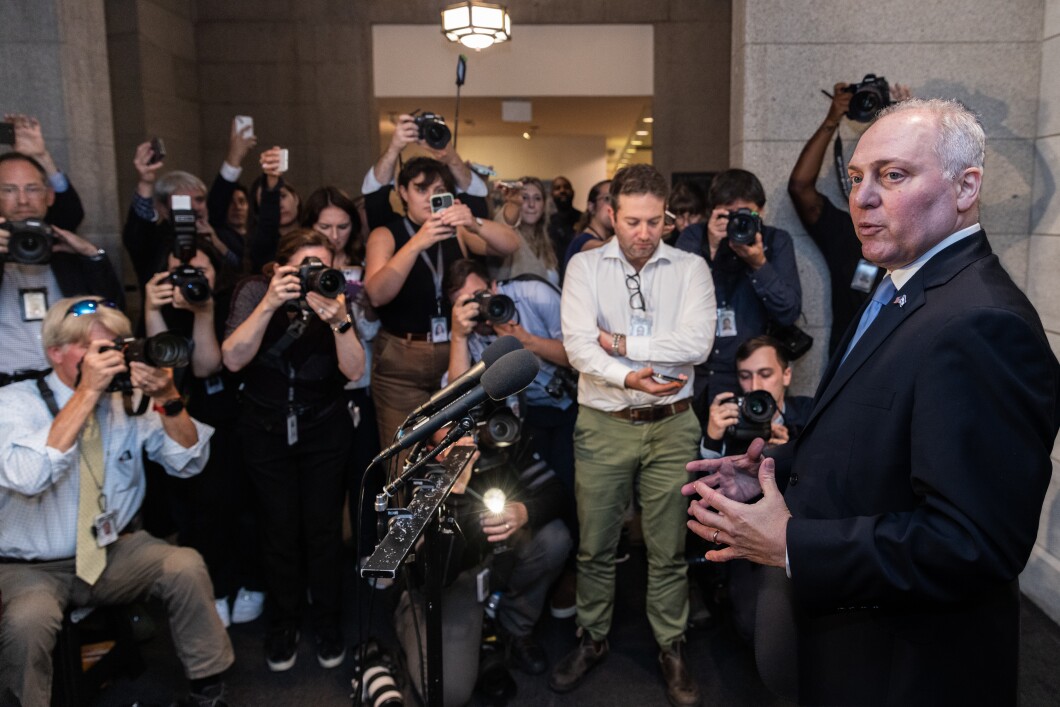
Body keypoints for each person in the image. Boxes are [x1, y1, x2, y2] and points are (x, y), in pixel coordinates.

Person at [684, 99, 1060, 705]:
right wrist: (773, 470)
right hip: (849, 646)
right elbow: (876, 430)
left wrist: (791, 545)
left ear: (967, 187)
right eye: (857, 177)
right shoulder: (903, 286)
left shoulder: (983, 323)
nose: (862, 198)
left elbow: (973, 544)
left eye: (893, 175)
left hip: (905, 668)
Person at [0, 296, 232, 707]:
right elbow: (30, 476)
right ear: (56, 352)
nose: (110, 360)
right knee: (26, 623)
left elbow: (189, 463)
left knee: (184, 565)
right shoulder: (14, 403)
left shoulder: (127, 403)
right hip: (31, 566)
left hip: (111, 551)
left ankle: (207, 689)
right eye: (96, 349)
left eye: (118, 347)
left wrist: (169, 397)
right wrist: (86, 392)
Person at [552, 164, 715, 706]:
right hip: (604, 423)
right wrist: (628, 374)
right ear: (610, 215)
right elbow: (578, 346)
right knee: (596, 544)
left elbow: (697, 345)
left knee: (668, 548)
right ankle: (592, 638)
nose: (644, 233)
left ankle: (671, 644)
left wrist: (619, 344)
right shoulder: (584, 267)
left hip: (672, 425)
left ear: (667, 216)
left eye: (654, 221)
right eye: (632, 221)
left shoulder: (691, 268)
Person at [222, 229, 365, 672]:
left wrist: (338, 319)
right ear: (281, 266)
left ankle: (327, 620)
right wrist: (269, 303)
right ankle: (283, 622)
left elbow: (355, 371)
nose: (313, 275)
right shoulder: (253, 290)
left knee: (323, 529)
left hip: (324, 426)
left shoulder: (336, 293)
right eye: (304, 265)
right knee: (278, 528)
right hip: (265, 427)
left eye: (322, 265)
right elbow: (232, 358)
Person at [363, 156, 518, 452]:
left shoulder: (456, 230)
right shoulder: (387, 234)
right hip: (400, 361)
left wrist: (473, 222)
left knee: (455, 451)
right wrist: (418, 242)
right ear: (402, 191)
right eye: (421, 189)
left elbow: (509, 245)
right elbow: (377, 294)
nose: (430, 197)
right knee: (402, 455)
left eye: (438, 190)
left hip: (453, 352)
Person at [787, 81, 910, 355]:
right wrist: (832, 119)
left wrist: (912, 125)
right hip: (848, 364)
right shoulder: (848, 231)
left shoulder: (917, 230)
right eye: (857, 177)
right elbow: (800, 187)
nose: (870, 190)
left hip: (903, 361)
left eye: (890, 175)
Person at [675, 169, 802, 416]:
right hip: (701, 378)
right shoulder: (694, 237)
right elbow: (674, 302)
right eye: (729, 215)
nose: (738, 223)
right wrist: (710, 250)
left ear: (762, 211)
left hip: (751, 377)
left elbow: (788, 312)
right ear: (713, 212)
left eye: (747, 214)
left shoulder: (776, 241)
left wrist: (759, 264)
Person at [301, 186, 382, 563]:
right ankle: (323, 561)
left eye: (343, 226)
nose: (334, 235)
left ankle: (368, 550)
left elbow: (371, 333)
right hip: (314, 388)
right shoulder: (300, 267)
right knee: (321, 485)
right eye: (325, 226)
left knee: (365, 471)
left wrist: (362, 306)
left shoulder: (365, 266)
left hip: (358, 381)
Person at [445, 258, 576, 491]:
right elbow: (458, 397)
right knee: (546, 488)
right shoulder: (465, 330)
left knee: (574, 480)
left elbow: (576, 357)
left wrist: (527, 340)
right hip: (526, 416)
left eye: (480, 295)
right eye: (466, 303)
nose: (478, 306)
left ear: (493, 286)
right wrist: (459, 336)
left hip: (571, 402)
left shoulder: (533, 294)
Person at [0, 152, 123, 379]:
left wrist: (92, 256)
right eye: (9, 190)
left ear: (49, 196)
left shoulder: (66, 251)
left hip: (71, 384)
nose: (23, 200)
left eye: (32, 189)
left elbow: (113, 312)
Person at [700, 335, 813, 459]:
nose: (754, 386)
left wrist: (789, 453)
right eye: (745, 376)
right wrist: (712, 439)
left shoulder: (809, 413)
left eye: (765, 375)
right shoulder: (731, 419)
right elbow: (707, 475)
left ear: (786, 375)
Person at [493, 177, 560, 285]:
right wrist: (513, 203)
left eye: (537, 198)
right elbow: (502, 227)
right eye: (524, 198)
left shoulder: (546, 241)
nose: (531, 205)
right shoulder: (510, 236)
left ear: (543, 205)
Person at [562, 179, 613, 270]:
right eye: (607, 199)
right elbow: (606, 247)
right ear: (591, 206)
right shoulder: (582, 242)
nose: (614, 205)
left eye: (617, 200)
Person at [547, 175, 581, 263]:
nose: (562, 191)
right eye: (557, 188)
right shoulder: (546, 223)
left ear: (573, 192)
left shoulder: (584, 219)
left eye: (566, 187)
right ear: (551, 194)